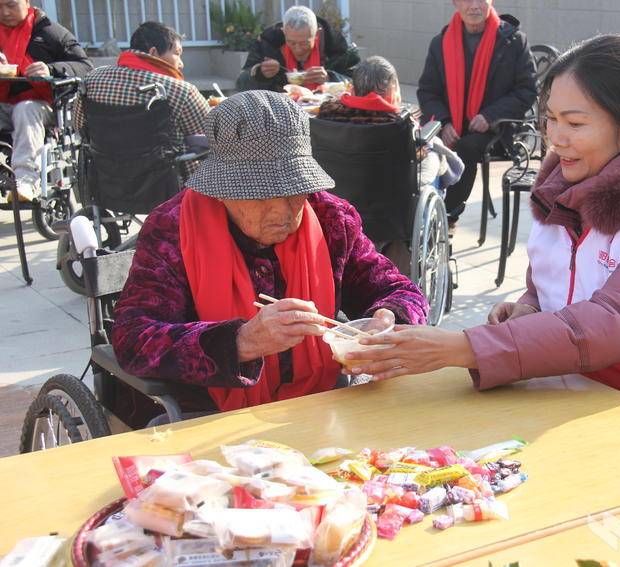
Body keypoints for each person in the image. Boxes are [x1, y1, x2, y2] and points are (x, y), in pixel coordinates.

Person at [349, 35, 620, 447]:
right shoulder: (565, 198)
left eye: (576, 123)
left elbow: (612, 325)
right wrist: (529, 308)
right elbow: (552, 290)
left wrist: (461, 348)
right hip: (593, 418)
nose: (557, 137)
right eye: (551, 119)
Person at [111, 91, 428, 422]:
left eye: (294, 191)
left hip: (320, 401)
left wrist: (389, 318)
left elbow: (398, 290)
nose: (282, 212)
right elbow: (133, 339)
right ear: (221, 190)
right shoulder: (173, 228)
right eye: (259, 194)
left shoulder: (331, 218)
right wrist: (240, 342)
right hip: (209, 412)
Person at [417, 0, 536, 228]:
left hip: (497, 130)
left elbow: (527, 90)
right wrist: (444, 122)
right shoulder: (441, 43)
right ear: (456, 3)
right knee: (423, 147)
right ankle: (422, 212)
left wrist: (490, 116)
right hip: (450, 125)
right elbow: (428, 92)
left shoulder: (512, 41)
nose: (474, 6)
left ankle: (447, 217)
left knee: (465, 148)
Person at [75, 21, 209, 179]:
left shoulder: (91, 80)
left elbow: (79, 126)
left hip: (107, 183)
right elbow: (214, 136)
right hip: (167, 186)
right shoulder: (180, 91)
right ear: (153, 52)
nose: (181, 63)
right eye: (177, 53)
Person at [317, 55, 464, 190]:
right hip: (388, 192)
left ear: (353, 90)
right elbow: (413, 158)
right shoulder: (397, 124)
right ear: (393, 91)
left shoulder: (327, 114)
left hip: (337, 189)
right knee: (433, 153)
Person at [0, 0, 91, 202]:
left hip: (44, 106)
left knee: (25, 109)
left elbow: (86, 67)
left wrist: (51, 69)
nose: (4, 12)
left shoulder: (50, 33)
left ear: (26, 2)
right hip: (4, 104)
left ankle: (25, 181)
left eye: (11, 5)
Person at [236, 5, 358, 93]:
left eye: (304, 43)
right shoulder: (267, 43)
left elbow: (358, 83)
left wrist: (329, 78)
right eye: (291, 42)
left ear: (317, 34)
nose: (298, 49)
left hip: (325, 113)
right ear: (284, 32)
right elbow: (241, 85)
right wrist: (259, 73)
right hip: (279, 112)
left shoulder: (336, 45)